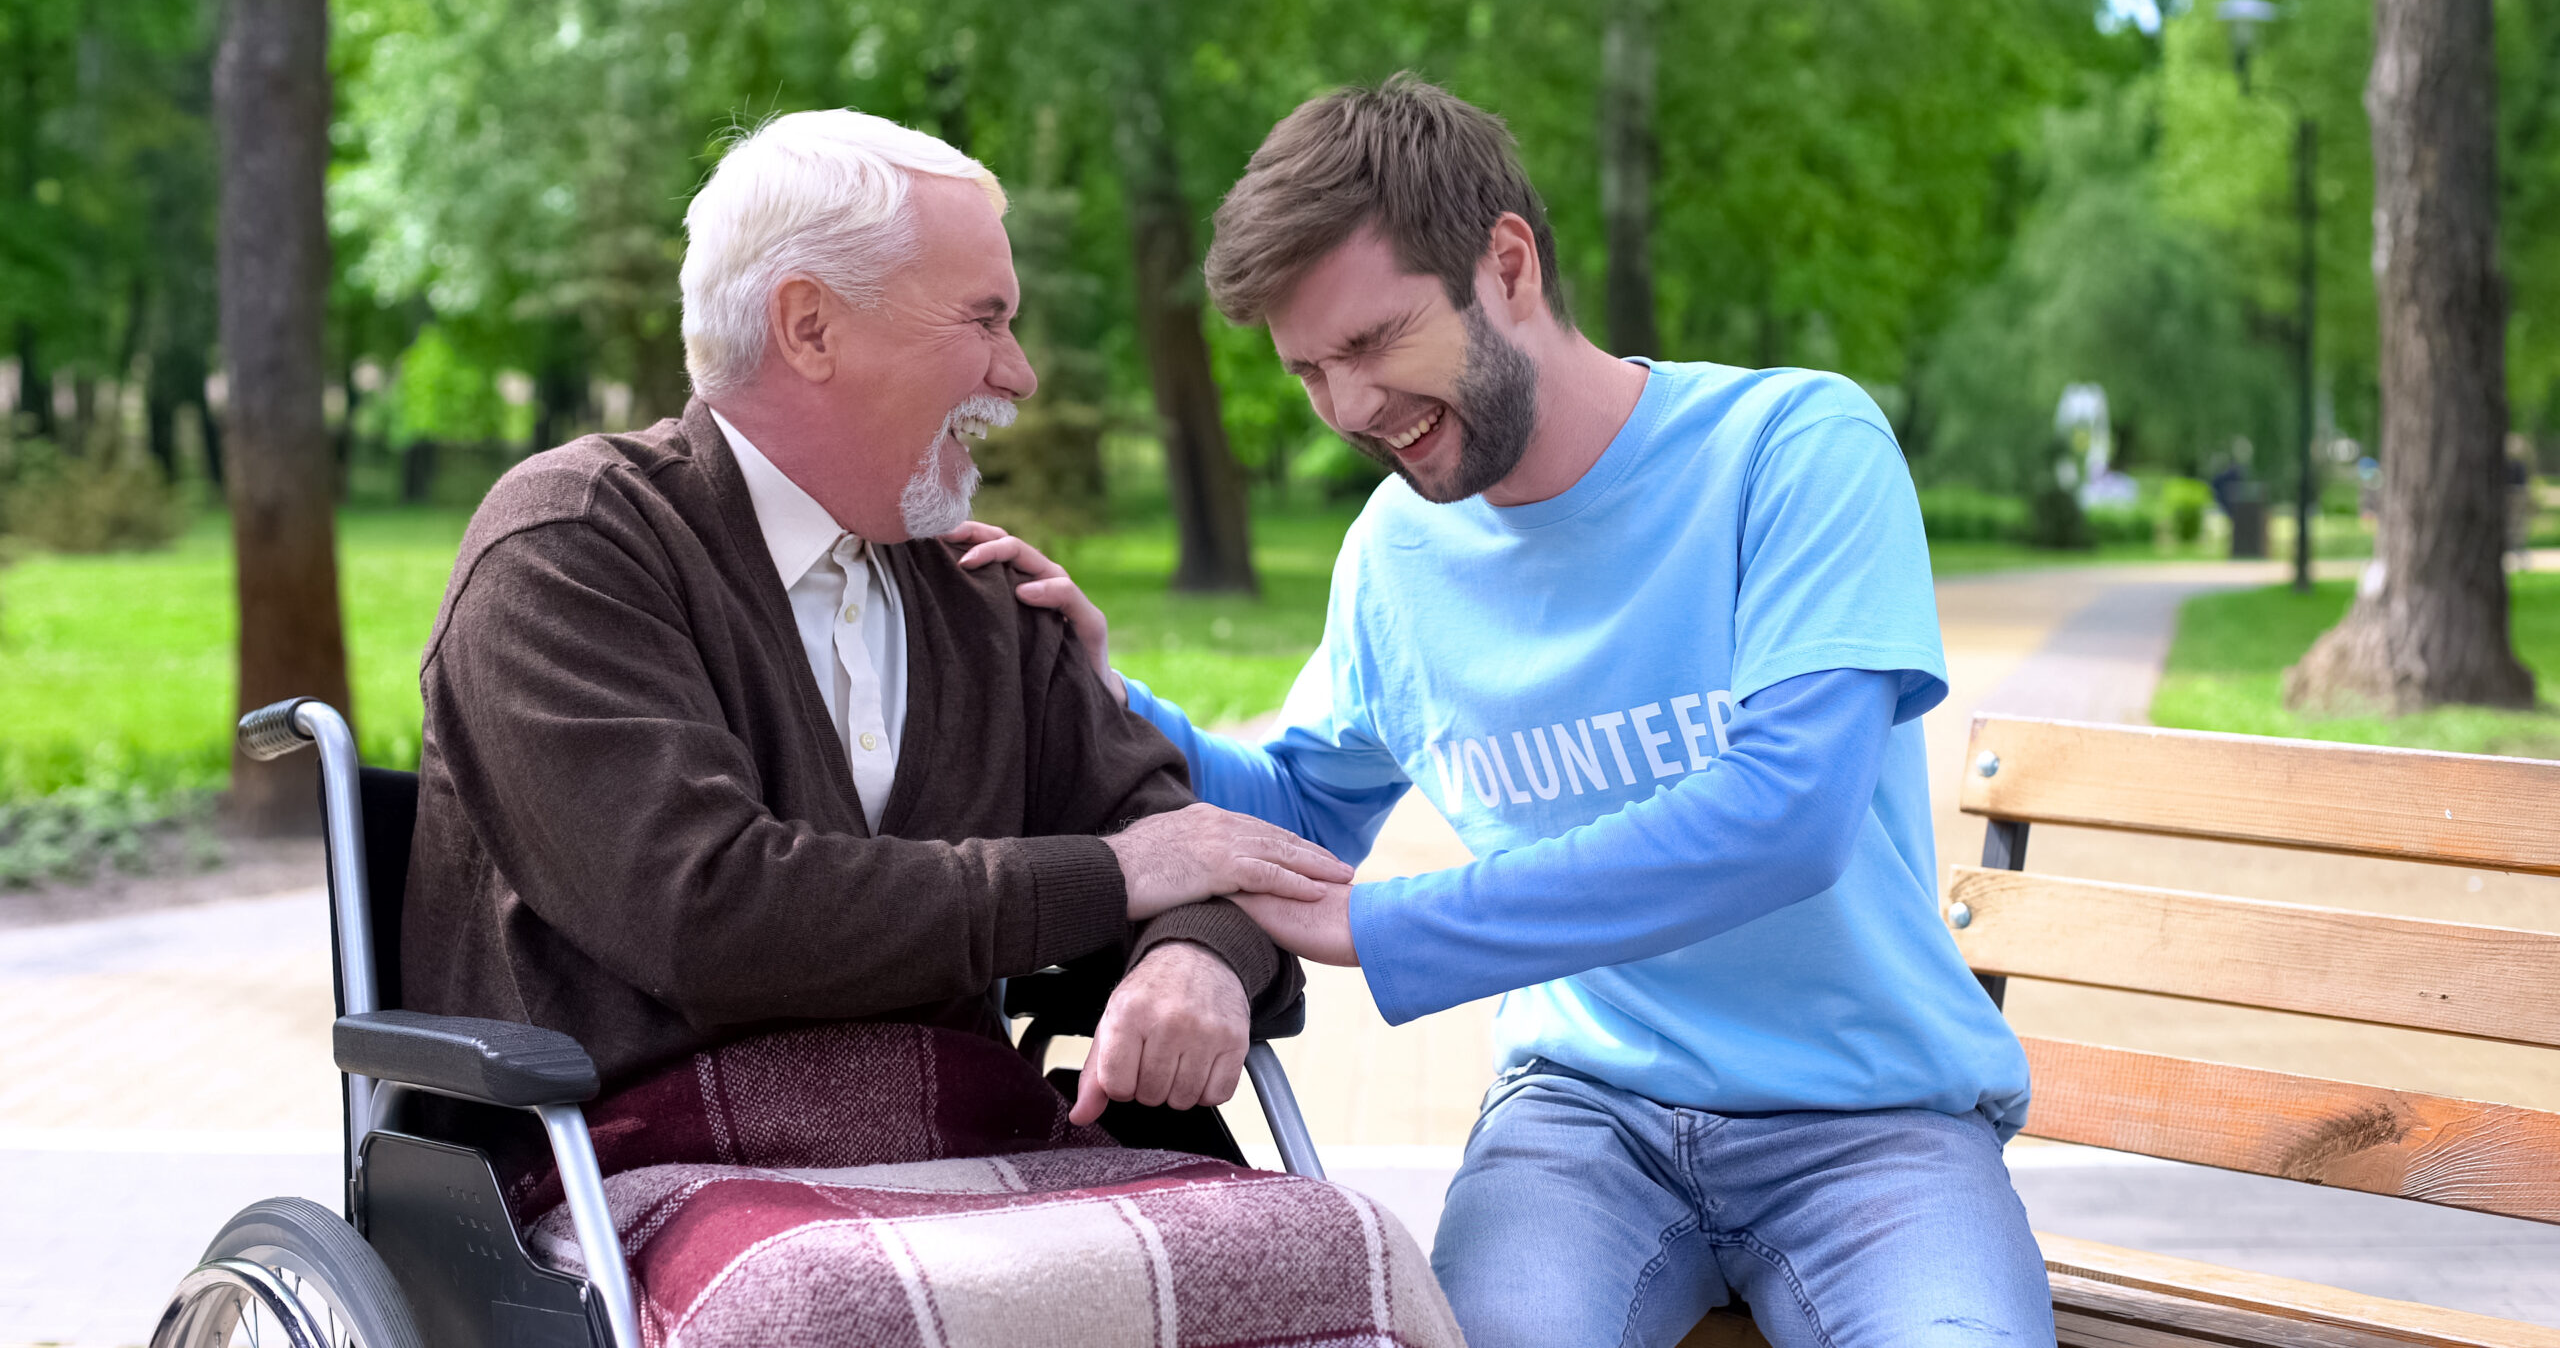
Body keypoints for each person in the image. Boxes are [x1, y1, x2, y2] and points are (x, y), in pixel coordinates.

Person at [958, 76, 2047, 1346]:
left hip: (1875, 1127)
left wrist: (1399, 927)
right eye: (1311, 371)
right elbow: (1304, 810)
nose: (1349, 409)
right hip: (1582, 1124)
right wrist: (1100, 700)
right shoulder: (1394, 555)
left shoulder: (1791, 447)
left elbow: (1785, 819)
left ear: (1507, 263)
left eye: (1372, 343)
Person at [405, 108, 1353, 1124]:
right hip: (643, 1165)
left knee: (1341, 1254)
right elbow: (708, 915)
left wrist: (1193, 958)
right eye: (984, 319)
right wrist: (1113, 877)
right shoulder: (570, 547)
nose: (1019, 373)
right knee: (850, 1296)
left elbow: (1193, 846)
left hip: (956, 1150)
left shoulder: (982, 590)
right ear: (810, 326)